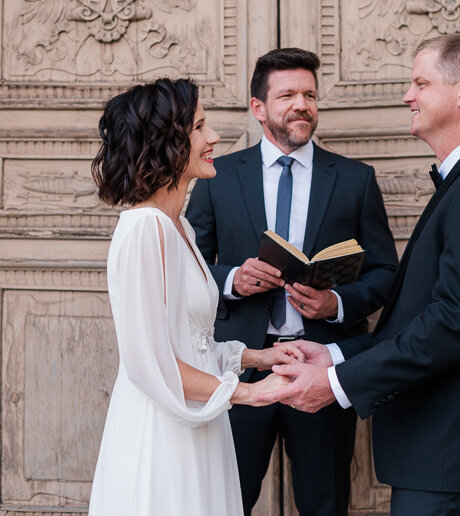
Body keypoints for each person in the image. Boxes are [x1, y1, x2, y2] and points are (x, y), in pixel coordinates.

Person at [259, 34, 460, 515]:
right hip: (442, 463)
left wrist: (335, 384)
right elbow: (421, 318)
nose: (406, 95)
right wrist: (333, 354)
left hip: (458, 465)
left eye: (420, 82)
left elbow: (454, 325)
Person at [185, 48, 398, 515]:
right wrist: (233, 280)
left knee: (324, 504)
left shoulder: (356, 180)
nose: (302, 104)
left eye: (310, 94)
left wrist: (335, 304)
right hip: (239, 368)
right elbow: (188, 263)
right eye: (287, 95)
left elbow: (386, 273)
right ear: (258, 108)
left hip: (321, 367)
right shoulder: (218, 179)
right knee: (225, 501)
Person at [87, 78, 306, 516]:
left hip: (203, 424)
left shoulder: (180, 228)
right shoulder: (143, 230)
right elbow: (150, 362)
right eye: (201, 126)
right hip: (164, 438)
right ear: (166, 140)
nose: (214, 137)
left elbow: (193, 345)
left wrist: (258, 359)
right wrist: (252, 395)